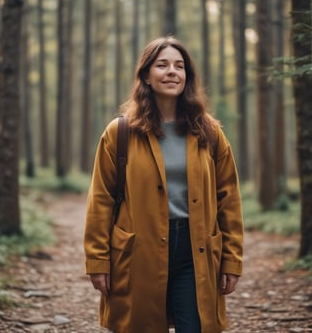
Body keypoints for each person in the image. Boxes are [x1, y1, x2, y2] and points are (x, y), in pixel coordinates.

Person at [84, 36, 243, 333]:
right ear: (146, 75)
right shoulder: (120, 133)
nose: (172, 71)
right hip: (137, 251)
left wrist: (232, 260)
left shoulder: (209, 132)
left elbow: (229, 199)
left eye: (179, 66)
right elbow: (100, 201)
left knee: (195, 326)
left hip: (195, 250)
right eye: (162, 65)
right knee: (142, 325)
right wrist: (97, 261)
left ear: (187, 77)